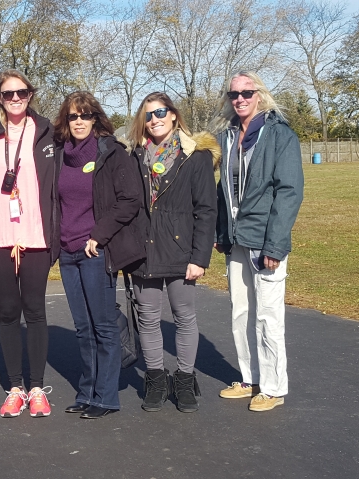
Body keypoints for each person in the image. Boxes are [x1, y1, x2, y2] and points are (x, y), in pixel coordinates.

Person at [210, 71, 304, 412]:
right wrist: (221, 232)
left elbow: (289, 192)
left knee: (267, 315)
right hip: (236, 240)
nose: (240, 99)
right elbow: (223, 189)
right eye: (233, 94)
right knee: (240, 312)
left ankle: (273, 387)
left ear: (259, 95)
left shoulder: (280, 135)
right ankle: (249, 379)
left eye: (246, 92)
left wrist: (275, 246)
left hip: (265, 240)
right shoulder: (226, 135)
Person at [52, 92, 145, 419]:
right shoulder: (61, 154)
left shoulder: (111, 152)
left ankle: (106, 397)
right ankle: (87, 392)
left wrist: (99, 234)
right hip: (67, 252)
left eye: (85, 115)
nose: (79, 121)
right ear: (66, 120)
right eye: (73, 116)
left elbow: (130, 199)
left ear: (95, 119)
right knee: (83, 327)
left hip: (95, 251)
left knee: (103, 325)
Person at [127, 92, 219, 413]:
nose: (155, 119)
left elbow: (206, 210)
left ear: (174, 115)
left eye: (161, 112)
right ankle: (155, 379)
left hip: (182, 251)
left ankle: (184, 379)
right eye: (148, 115)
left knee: (184, 317)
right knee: (148, 318)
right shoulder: (134, 156)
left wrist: (199, 258)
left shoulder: (196, 157)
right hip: (144, 250)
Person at [0, 69, 55, 418]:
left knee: (35, 310)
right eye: (8, 94)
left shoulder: (47, 131)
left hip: (35, 234)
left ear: (30, 94)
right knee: (8, 312)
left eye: (21, 92)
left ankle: (36, 388)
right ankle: (15, 388)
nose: (15, 99)